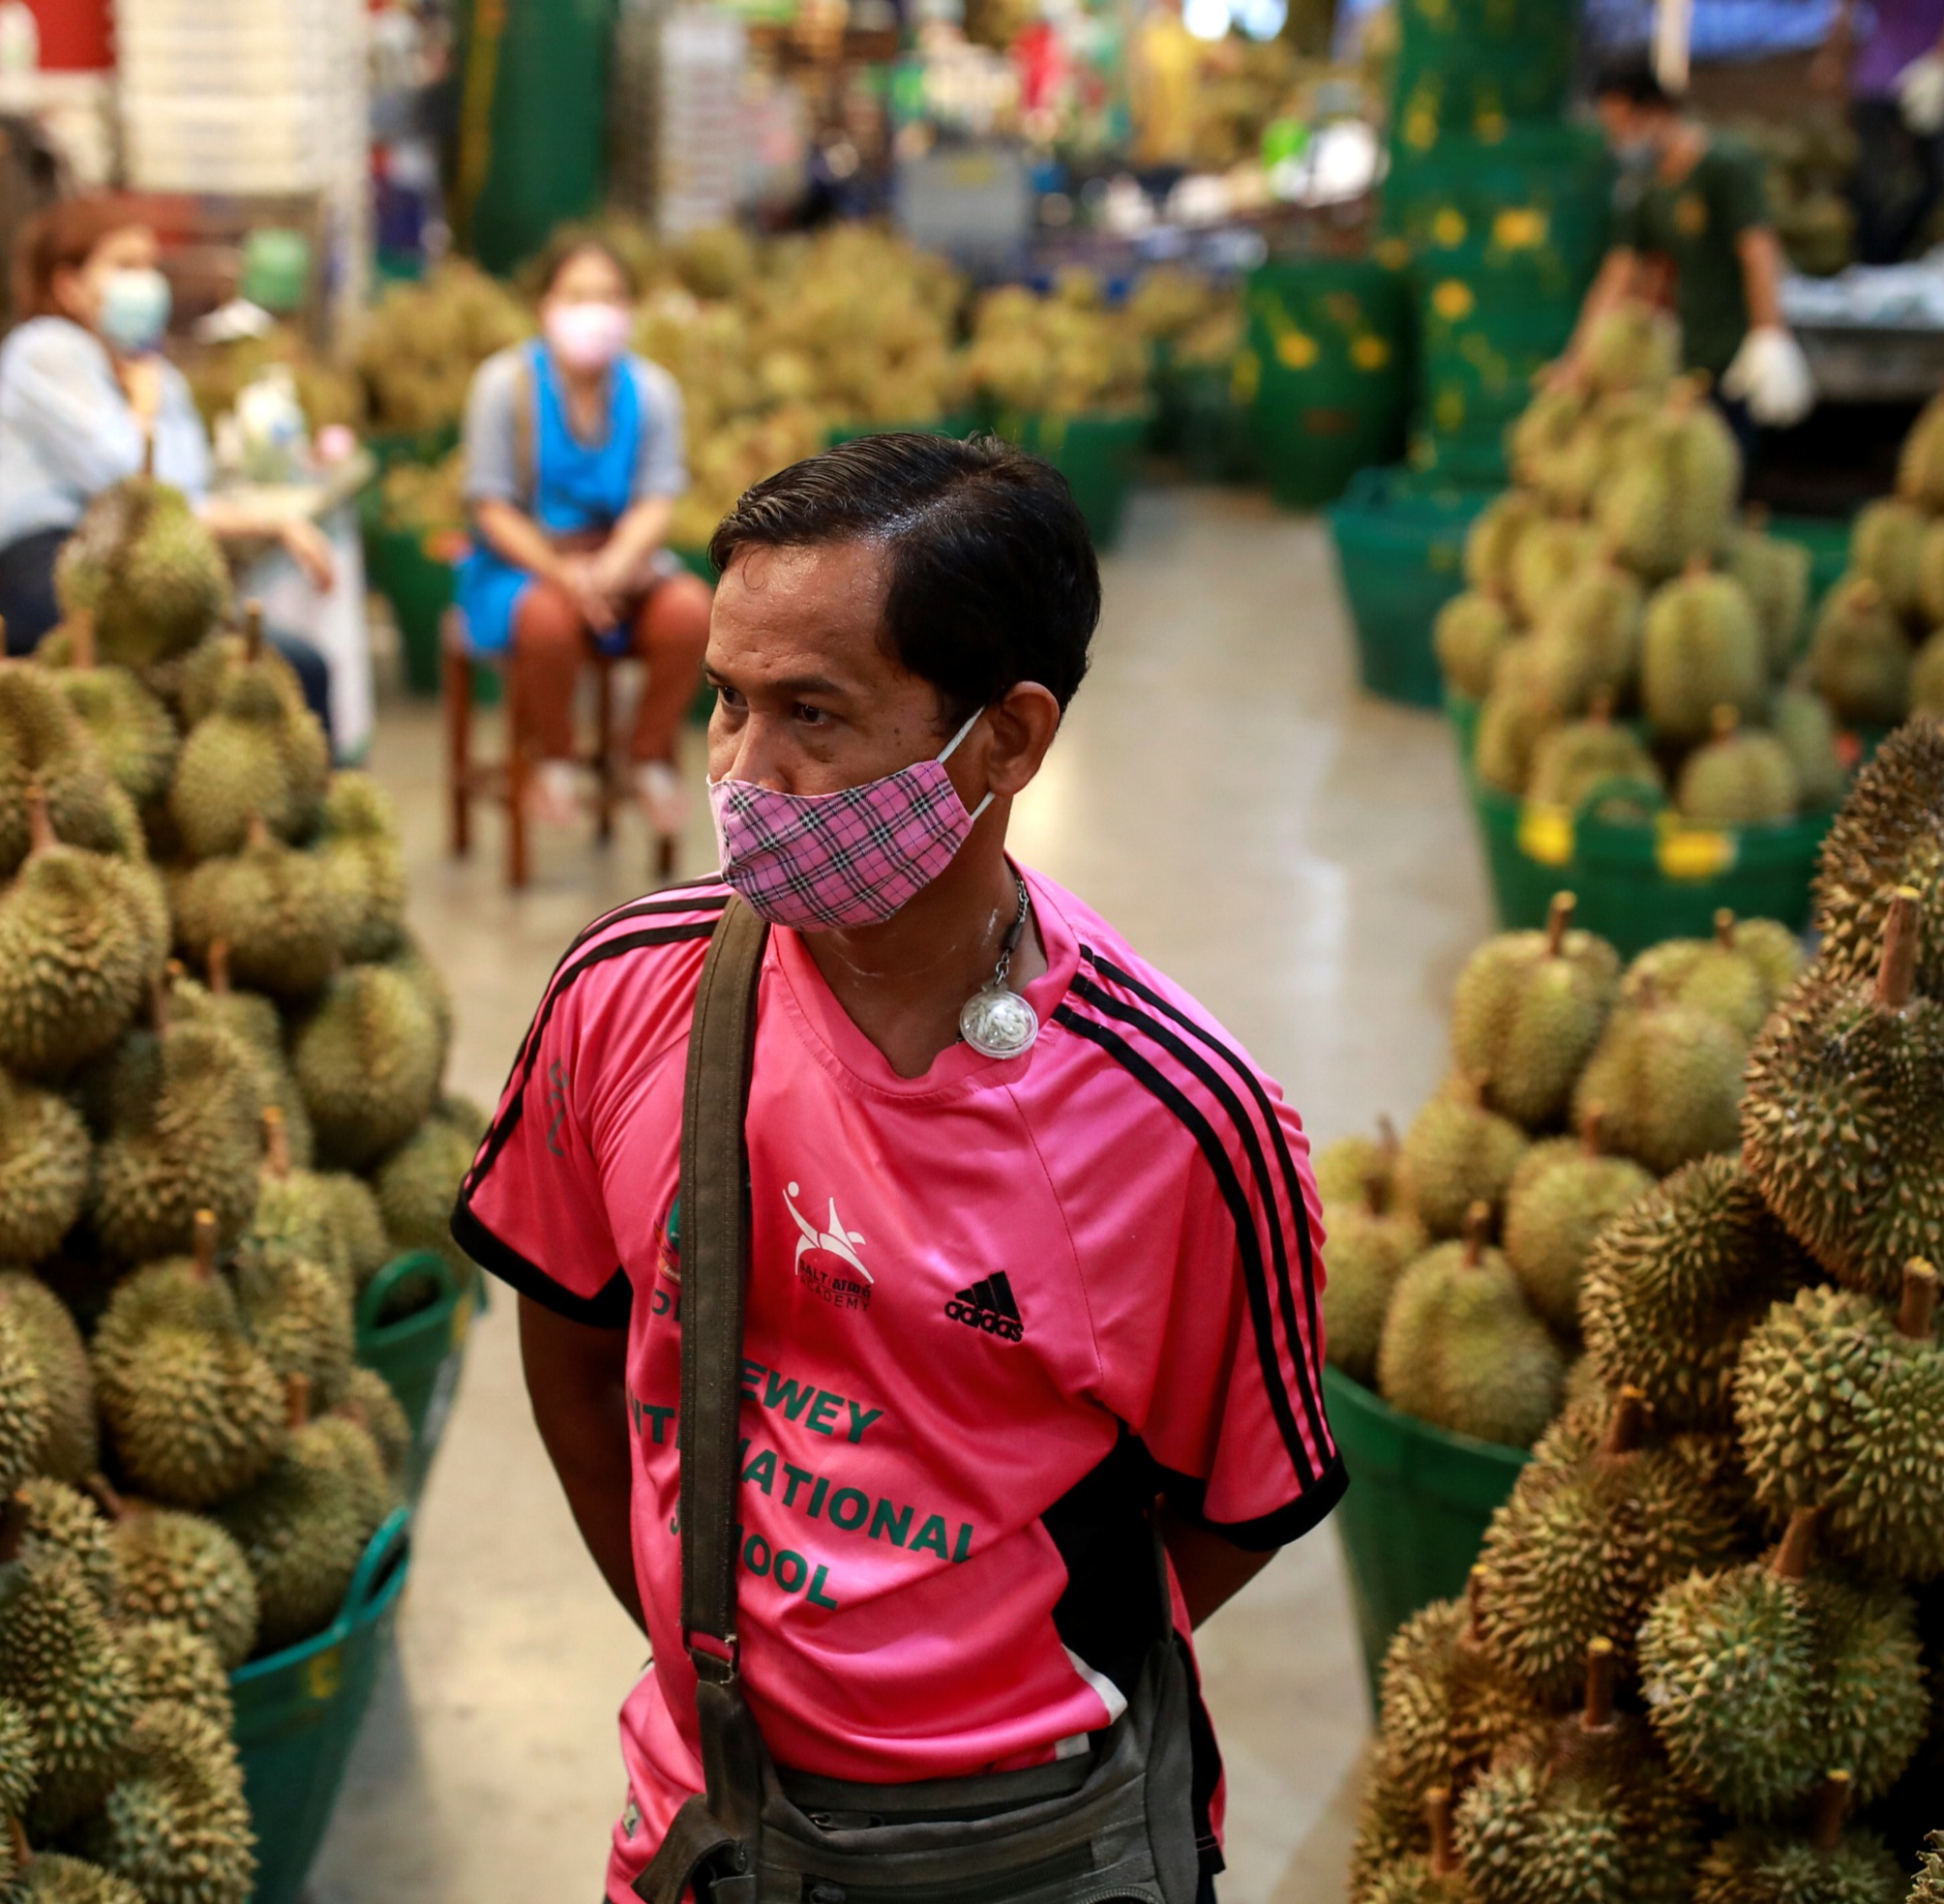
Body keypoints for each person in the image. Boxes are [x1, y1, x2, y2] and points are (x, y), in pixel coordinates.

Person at [454, 432, 1342, 1904]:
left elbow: (1236, 1505)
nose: (744, 774)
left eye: (815, 713)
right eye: (729, 703)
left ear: (1006, 741)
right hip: (705, 1809)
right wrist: (707, 1652)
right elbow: (573, 1337)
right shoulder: (624, 994)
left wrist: (963, 1681)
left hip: (1030, 1842)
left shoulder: (1187, 1123)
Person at [0, 198, 337, 713]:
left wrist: (273, 522)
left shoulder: (150, 369)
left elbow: (187, 486)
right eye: (125, 267)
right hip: (49, 565)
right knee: (269, 671)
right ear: (67, 285)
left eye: (149, 267)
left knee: (299, 667)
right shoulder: (43, 350)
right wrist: (142, 408)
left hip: (133, 571)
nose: (144, 284)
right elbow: (131, 484)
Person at [456, 234, 713, 838]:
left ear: (629, 309)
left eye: (609, 296)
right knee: (545, 622)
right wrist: (564, 573)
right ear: (546, 304)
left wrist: (613, 568)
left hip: (623, 563)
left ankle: (647, 752)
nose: (593, 309)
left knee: (689, 613)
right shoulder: (504, 386)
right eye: (577, 295)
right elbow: (491, 505)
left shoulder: (652, 392)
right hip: (525, 565)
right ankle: (557, 756)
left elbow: (655, 500)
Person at [1570, 55, 1816, 439]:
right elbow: (1621, 274)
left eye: (1622, 127)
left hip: (1735, 353)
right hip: (1686, 355)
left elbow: (1758, 250)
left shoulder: (1724, 166)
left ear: (1653, 111)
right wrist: (1579, 360)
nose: (1619, 141)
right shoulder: (1646, 190)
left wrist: (1770, 333)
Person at [1819, 0, 1944, 264]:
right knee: (1874, 180)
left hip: (1931, 82)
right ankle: (1874, 258)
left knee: (1935, 178)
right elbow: (1845, 12)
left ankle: (1896, 254)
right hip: (1881, 80)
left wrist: (1941, 60)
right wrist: (1834, 56)